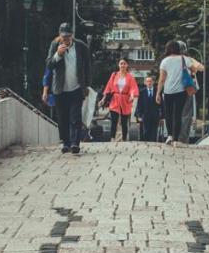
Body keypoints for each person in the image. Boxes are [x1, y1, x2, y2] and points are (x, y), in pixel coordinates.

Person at [44, 23, 91, 154]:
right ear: (60, 36)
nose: (65, 39)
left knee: (75, 117)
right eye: (63, 37)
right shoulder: (55, 45)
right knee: (62, 118)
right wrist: (58, 55)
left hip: (76, 88)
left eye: (68, 36)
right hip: (60, 89)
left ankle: (75, 143)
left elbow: (87, 67)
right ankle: (66, 143)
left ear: (72, 35)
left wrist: (86, 85)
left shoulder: (81, 46)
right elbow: (49, 64)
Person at [156, 40, 204, 146]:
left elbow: (161, 79)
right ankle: (176, 140)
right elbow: (195, 69)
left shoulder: (165, 61)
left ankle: (169, 136)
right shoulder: (184, 59)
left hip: (168, 91)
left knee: (168, 114)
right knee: (177, 115)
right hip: (181, 91)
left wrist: (158, 93)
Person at [101, 58, 139, 142]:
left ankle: (124, 139)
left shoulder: (130, 77)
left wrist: (132, 96)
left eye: (124, 64)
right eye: (121, 63)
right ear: (118, 65)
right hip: (115, 100)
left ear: (127, 65)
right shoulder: (114, 75)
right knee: (114, 120)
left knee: (124, 122)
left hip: (125, 101)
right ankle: (112, 138)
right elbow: (108, 87)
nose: (122, 65)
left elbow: (133, 88)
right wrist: (103, 99)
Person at [136, 73, 160, 142]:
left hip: (155, 116)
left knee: (154, 133)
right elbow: (139, 105)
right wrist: (139, 116)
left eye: (150, 81)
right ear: (145, 83)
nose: (149, 83)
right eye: (147, 81)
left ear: (153, 82)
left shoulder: (157, 92)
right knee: (145, 133)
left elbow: (161, 105)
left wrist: (162, 117)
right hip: (145, 116)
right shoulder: (142, 92)